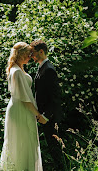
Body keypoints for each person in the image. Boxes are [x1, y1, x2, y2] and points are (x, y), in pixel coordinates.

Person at [0, 42, 45, 171]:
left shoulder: (18, 69)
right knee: (20, 142)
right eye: (28, 54)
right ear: (21, 54)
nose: (30, 57)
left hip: (21, 108)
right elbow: (24, 98)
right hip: (20, 109)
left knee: (24, 142)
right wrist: (38, 114)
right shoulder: (17, 72)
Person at [30, 40, 63, 170]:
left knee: (55, 148)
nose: (31, 56)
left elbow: (55, 96)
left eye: (33, 53)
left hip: (50, 116)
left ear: (41, 52)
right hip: (43, 115)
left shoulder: (49, 69)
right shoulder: (42, 67)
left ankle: (61, 168)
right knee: (51, 146)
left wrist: (46, 116)